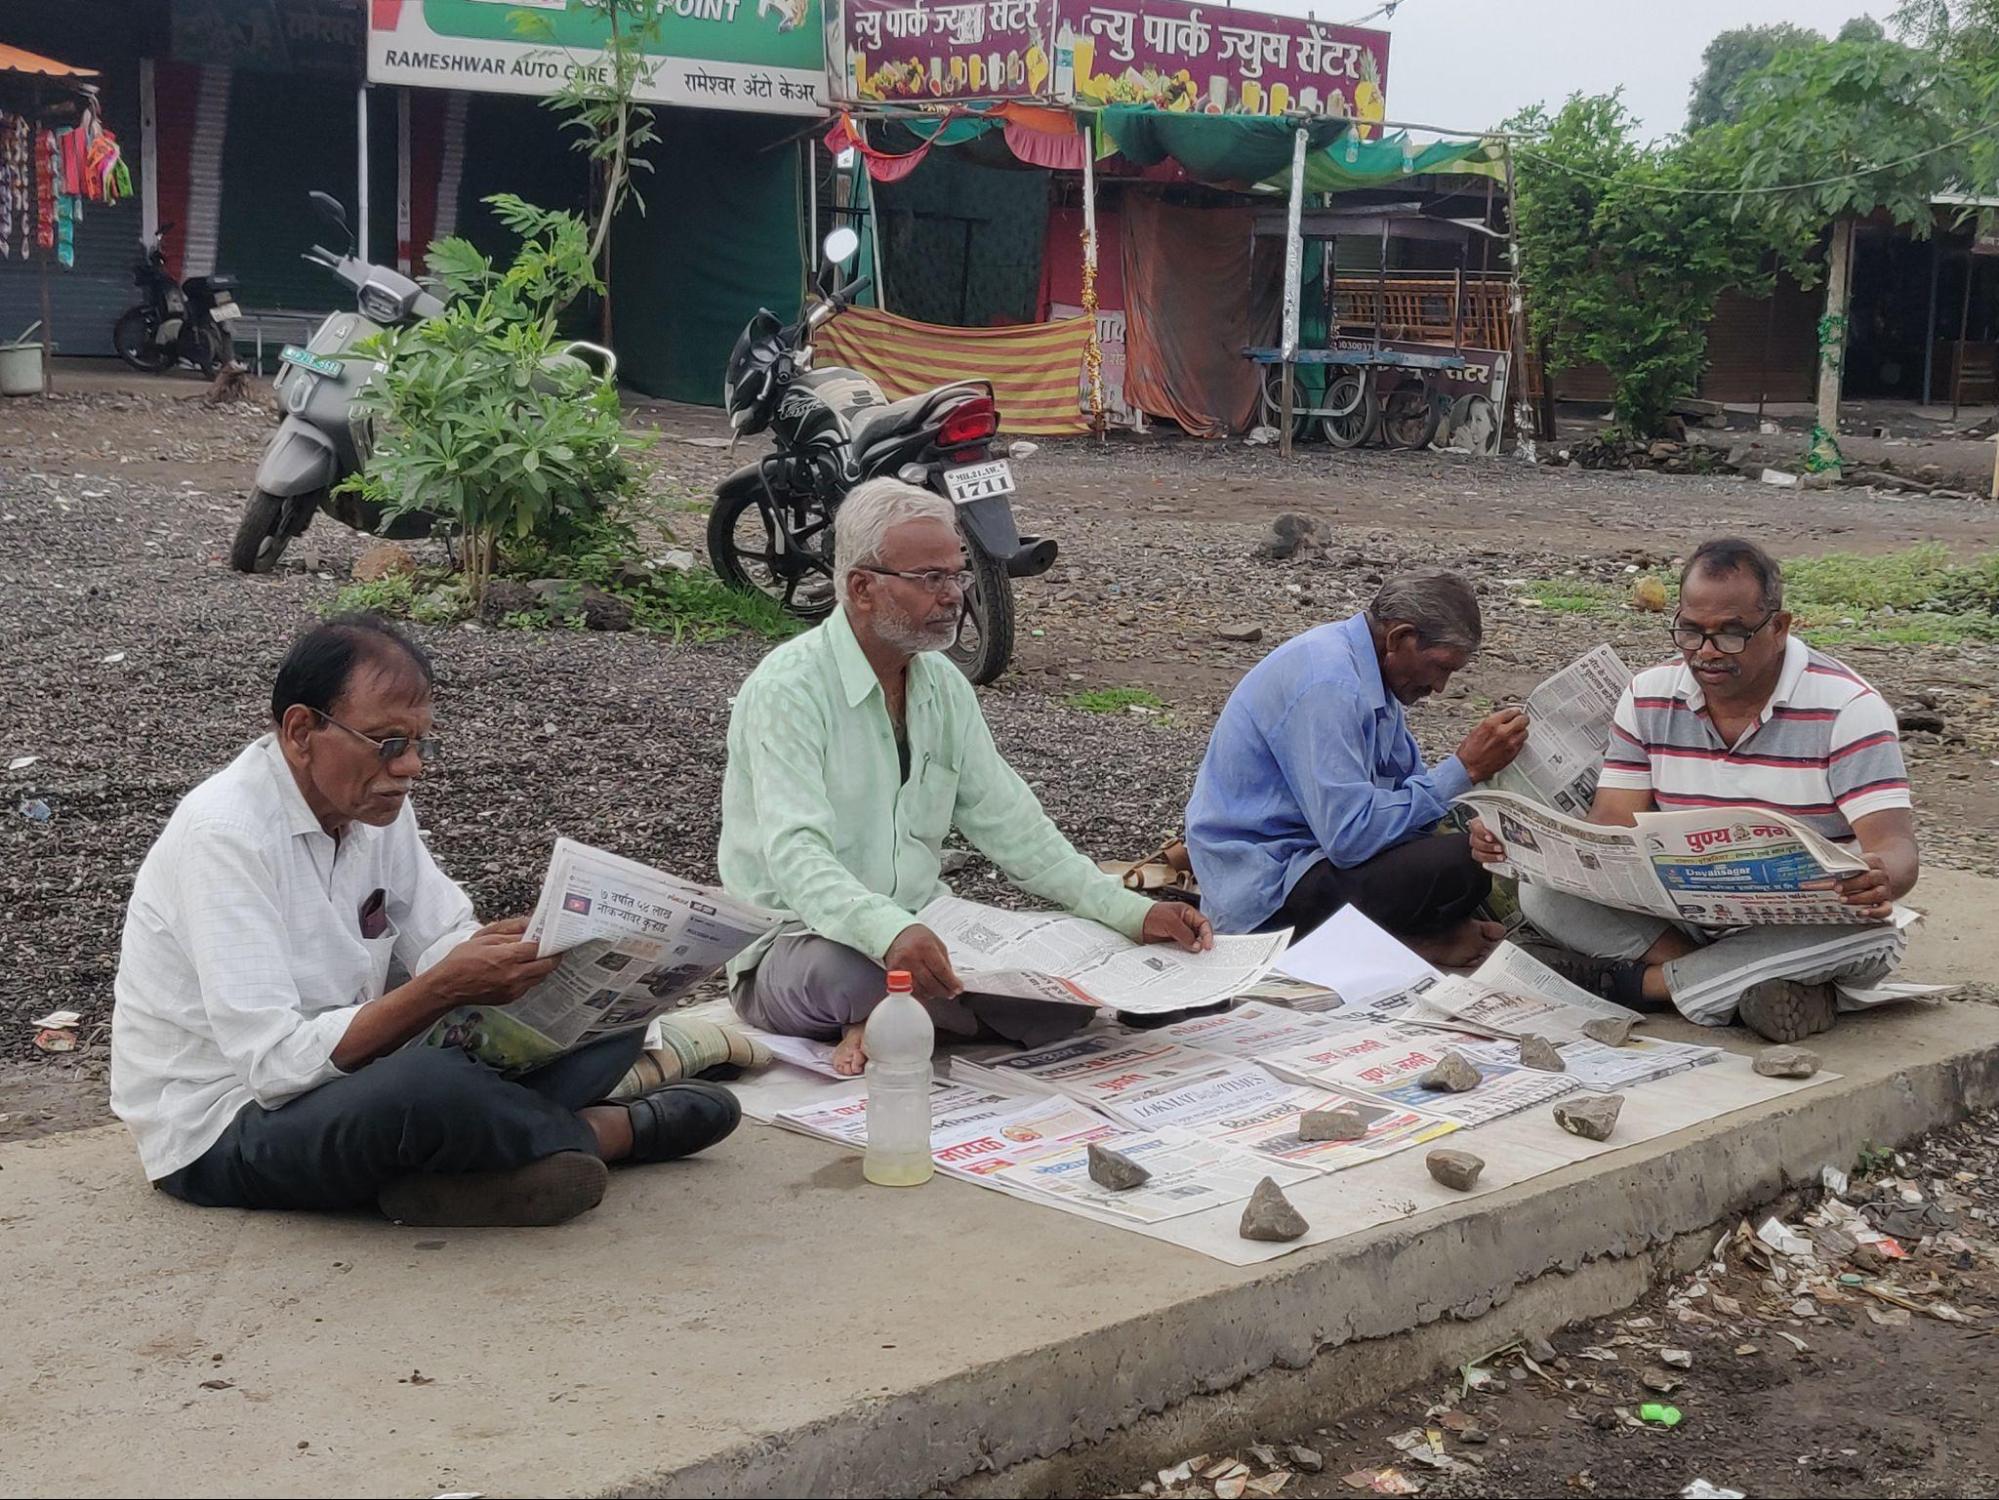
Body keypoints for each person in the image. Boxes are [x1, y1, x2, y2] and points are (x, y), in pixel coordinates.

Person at [110, 614, 740, 1227]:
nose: (410, 767)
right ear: (302, 731)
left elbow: (439, 936)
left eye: (418, 743)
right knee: (426, 1087)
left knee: (613, 1026)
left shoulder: (372, 804)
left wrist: (521, 958)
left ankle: (467, 1159)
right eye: (388, 744)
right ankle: (604, 1133)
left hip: (348, 1078)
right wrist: (441, 988)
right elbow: (273, 1065)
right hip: (228, 1124)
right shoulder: (227, 835)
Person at [720, 479, 1214, 1076]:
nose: (954, 596)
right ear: (862, 588)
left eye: (958, 576)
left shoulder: (943, 686)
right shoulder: (788, 690)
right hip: (799, 941)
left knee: (1062, 1004)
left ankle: (896, 1023)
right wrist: (887, 930)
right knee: (853, 973)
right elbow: (796, 855)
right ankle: (890, 1014)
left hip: (923, 928)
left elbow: (1015, 827)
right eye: (932, 579)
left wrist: (1129, 913)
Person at [1475, 539, 1919, 1043]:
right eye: (1690, 632)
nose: (1706, 653)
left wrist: (1881, 875)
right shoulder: (1649, 694)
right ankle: (1747, 985)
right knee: (1544, 892)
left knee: (1869, 933)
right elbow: (1611, 826)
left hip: (1805, 921)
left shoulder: (1848, 709)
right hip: (1680, 923)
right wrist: (1526, 845)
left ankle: (1642, 987)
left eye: (1731, 635)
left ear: (1778, 627)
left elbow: (1896, 848)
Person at [1184, 569, 1529, 964]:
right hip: (1268, 890)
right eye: (1440, 667)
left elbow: (1409, 787)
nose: (1440, 687)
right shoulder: (1330, 685)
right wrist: (1464, 768)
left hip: (1316, 859)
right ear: (1399, 638)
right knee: (1457, 865)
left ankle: (1399, 939)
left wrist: (1473, 819)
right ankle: (1397, 944)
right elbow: (1349, 838)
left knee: (1475, 854)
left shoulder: (1374, 676)